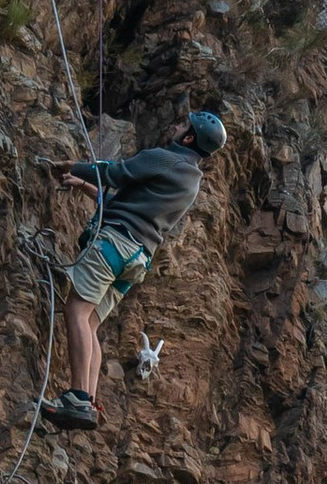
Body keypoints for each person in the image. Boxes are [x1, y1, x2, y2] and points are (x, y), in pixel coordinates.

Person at [40, 113, 227, 432]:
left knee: (76, 311)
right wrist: (84, 185)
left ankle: (78, 397)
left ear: (189, 138)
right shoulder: (191, 180)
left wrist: (74, 166)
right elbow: (130, 203)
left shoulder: (165, 158)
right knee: (91, 323)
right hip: (137, 258)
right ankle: (89, 402)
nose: (177, 125)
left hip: (114, 244)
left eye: (184, 125)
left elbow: (116, 173)